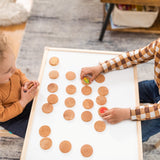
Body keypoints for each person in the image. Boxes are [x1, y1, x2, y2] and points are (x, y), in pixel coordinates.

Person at [81, 38, 160, 142]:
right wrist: (101, 67)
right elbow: (132, 58)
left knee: (135, 136)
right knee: (123, 95)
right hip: (156, 87)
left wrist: (127, 113)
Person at [0, 33, 39, 138]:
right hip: (13, 118)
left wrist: (26, 83)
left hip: (23, 99)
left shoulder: (10, 69)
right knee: (33, 132)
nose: (14, 69)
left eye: (13, 63)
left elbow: (19, 74)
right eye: (8, 70)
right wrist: (23, 102)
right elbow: (2, 116)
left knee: (44, 103)